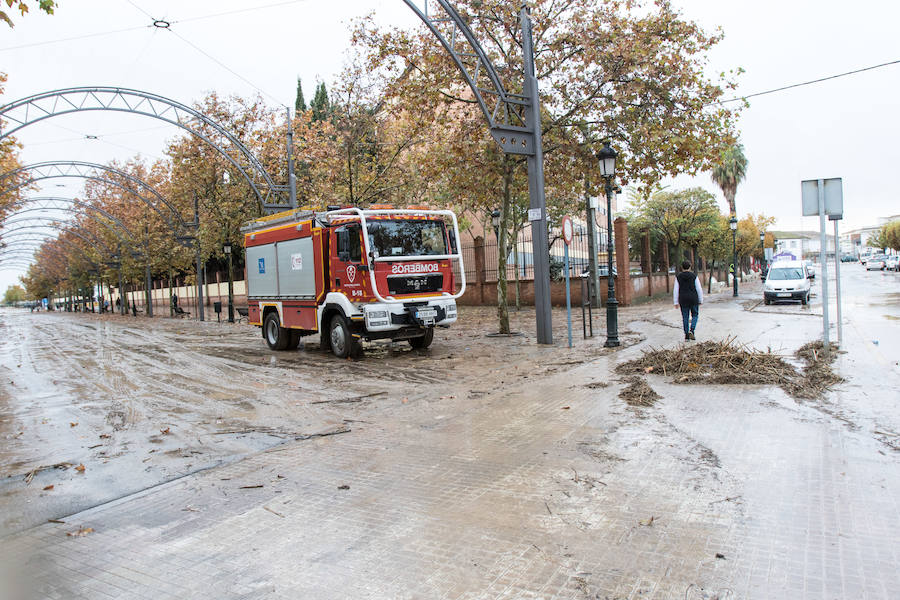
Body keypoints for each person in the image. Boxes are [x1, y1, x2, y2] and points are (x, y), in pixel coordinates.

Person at [673, 260, 703, 341]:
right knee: (695, 315)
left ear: (682, 267)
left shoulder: (678, 277)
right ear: (690, 267)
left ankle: (686, 335)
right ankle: (692, 330)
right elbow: (699, 289)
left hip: (683, 299)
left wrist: (675, 302)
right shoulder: (694, 276)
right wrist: (701, 300)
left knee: (685, 317)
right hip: (693, 298)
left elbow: (676, 290)